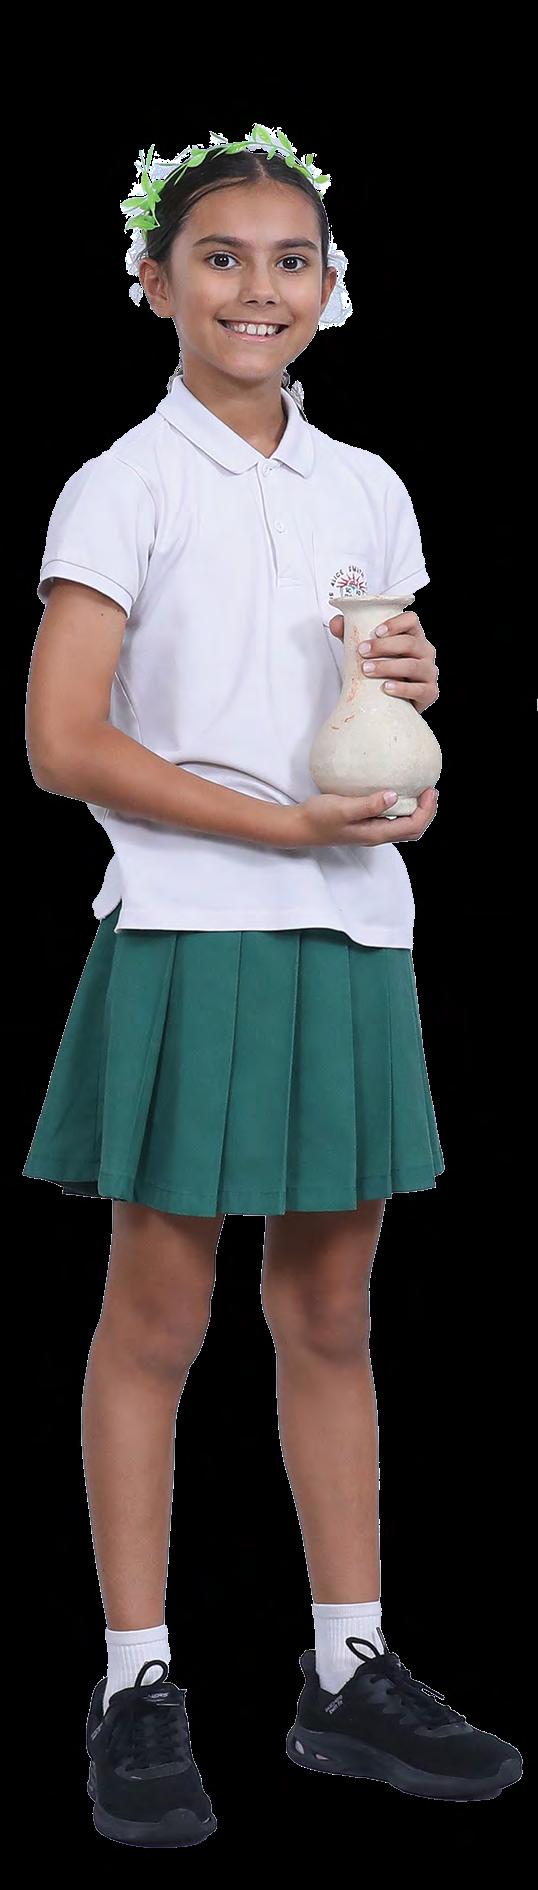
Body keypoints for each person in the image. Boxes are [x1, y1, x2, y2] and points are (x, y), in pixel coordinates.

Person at [22, 128, 521, 1845]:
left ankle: (345, 1669)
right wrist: (275, 821)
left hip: (347, 925)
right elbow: (62, 740)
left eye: (288, 257)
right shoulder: (122, 485)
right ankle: (137, 1679)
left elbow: (385, 741)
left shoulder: (365, 487)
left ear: (329, 285)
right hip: (186, 925)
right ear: (152, 280)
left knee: (326, 1314)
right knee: (159, 1317)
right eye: (219, 256)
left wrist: (396, 759)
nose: (258, 286)